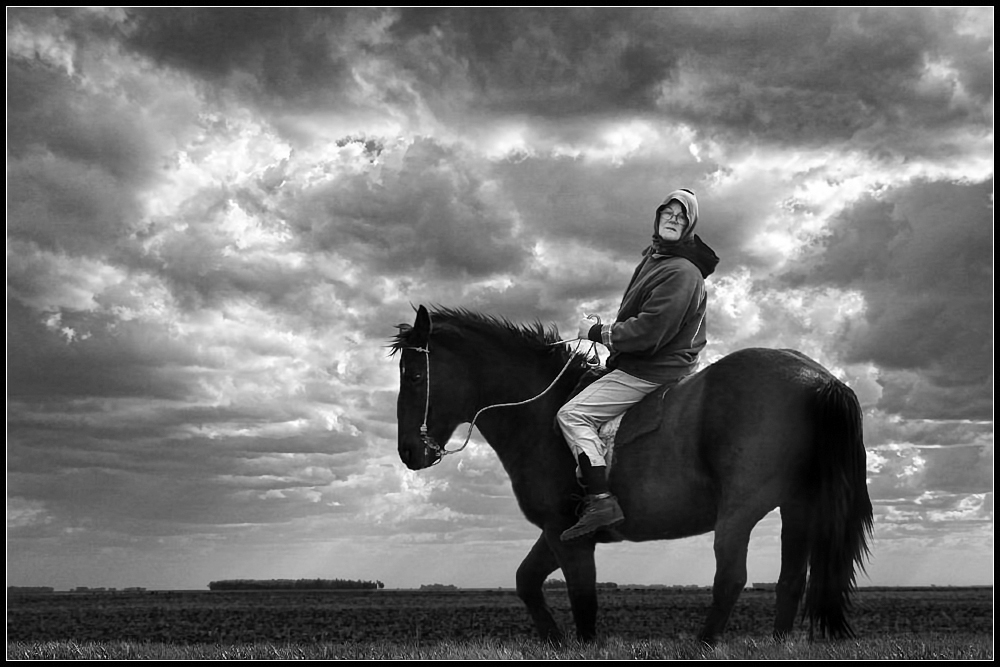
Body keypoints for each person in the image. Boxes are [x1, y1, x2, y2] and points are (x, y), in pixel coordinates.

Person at [557, 188, 720, 541]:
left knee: (572, 415)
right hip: (642, 363)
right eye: (668, 213)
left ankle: (600, 501)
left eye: (681, 216)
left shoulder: (681, 271)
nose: (673, 220)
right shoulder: (656, 258)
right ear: (658, 217)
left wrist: (599, 332)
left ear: (689, 225)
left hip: (653, 368)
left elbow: (651, 332)